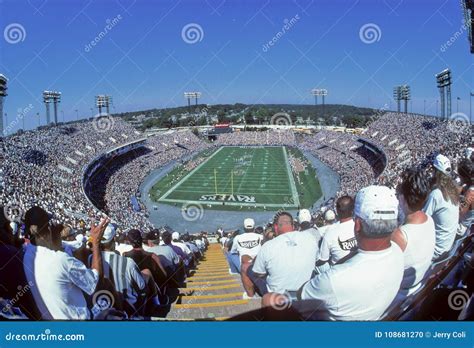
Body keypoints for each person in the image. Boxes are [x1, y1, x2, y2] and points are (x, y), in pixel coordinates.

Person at [269, 186, 404, 321]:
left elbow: (301, 294)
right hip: (379, 317)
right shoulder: (399, 253)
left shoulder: (333, 280)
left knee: (269, 300)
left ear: (357, 224)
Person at [23, 206, 110, 320]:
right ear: (48, 229)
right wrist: (96, 242)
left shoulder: (27, 255)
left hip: (50, 321)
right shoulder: (61, 260)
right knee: (109, 302)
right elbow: (95, 282)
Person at [391, 168, 435, 301]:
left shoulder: (400, 236)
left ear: (403, 198)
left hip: (400, 295)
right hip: (420, 285)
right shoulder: (429, 219)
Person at [249, 212, 319, 295]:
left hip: (279, 296)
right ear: (293, 226)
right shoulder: (310, 238)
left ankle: (250, 295)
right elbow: (316, 260)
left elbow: (258, 273)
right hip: (307, 292)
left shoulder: (267, 246)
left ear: (275, 227)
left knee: (248, 268)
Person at [89, 224, 146, 315]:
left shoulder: (90, 258)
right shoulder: (128, 262)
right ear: (114, 240)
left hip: (101, 306)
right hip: (127, 308)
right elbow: (142, 286)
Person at [423, 154, 460, 260]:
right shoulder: (453, 191)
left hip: (436, 249)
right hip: (447, 246)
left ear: (436, 172)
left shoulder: (436, 194)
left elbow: (422, 221)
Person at [317, 196, 357, 266]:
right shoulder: (360, 226)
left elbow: (323, 259)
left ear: (337, 211)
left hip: (338, 269)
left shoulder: (330, 232)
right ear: (353, 210)